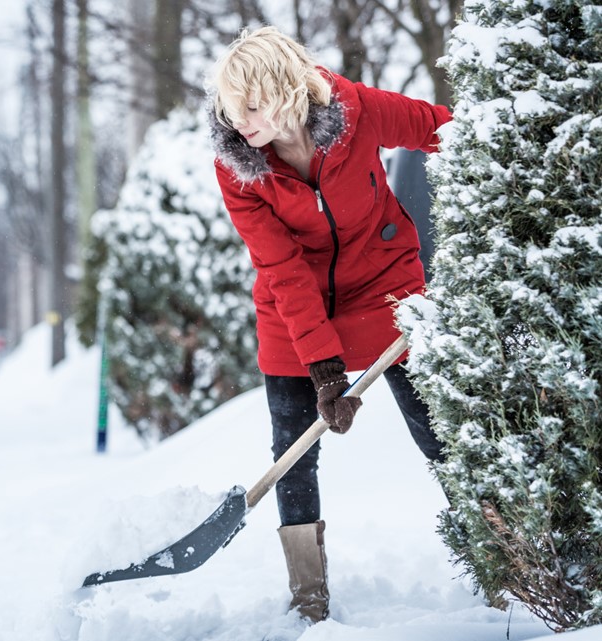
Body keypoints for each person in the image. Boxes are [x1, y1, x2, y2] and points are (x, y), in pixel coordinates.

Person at [206, 26, 452, 624]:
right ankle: (308, 599)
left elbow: (442, 129)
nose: (242, 124)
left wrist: (493, 190)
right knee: (293, 448)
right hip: (295, 306)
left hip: (385, 283)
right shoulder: (239, 168)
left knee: (438, 427)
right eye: (233, 112)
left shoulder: (356, 111)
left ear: (286, 89)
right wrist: (323, 369)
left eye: (253, 107)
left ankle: (503, 555)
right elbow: (282, 269)